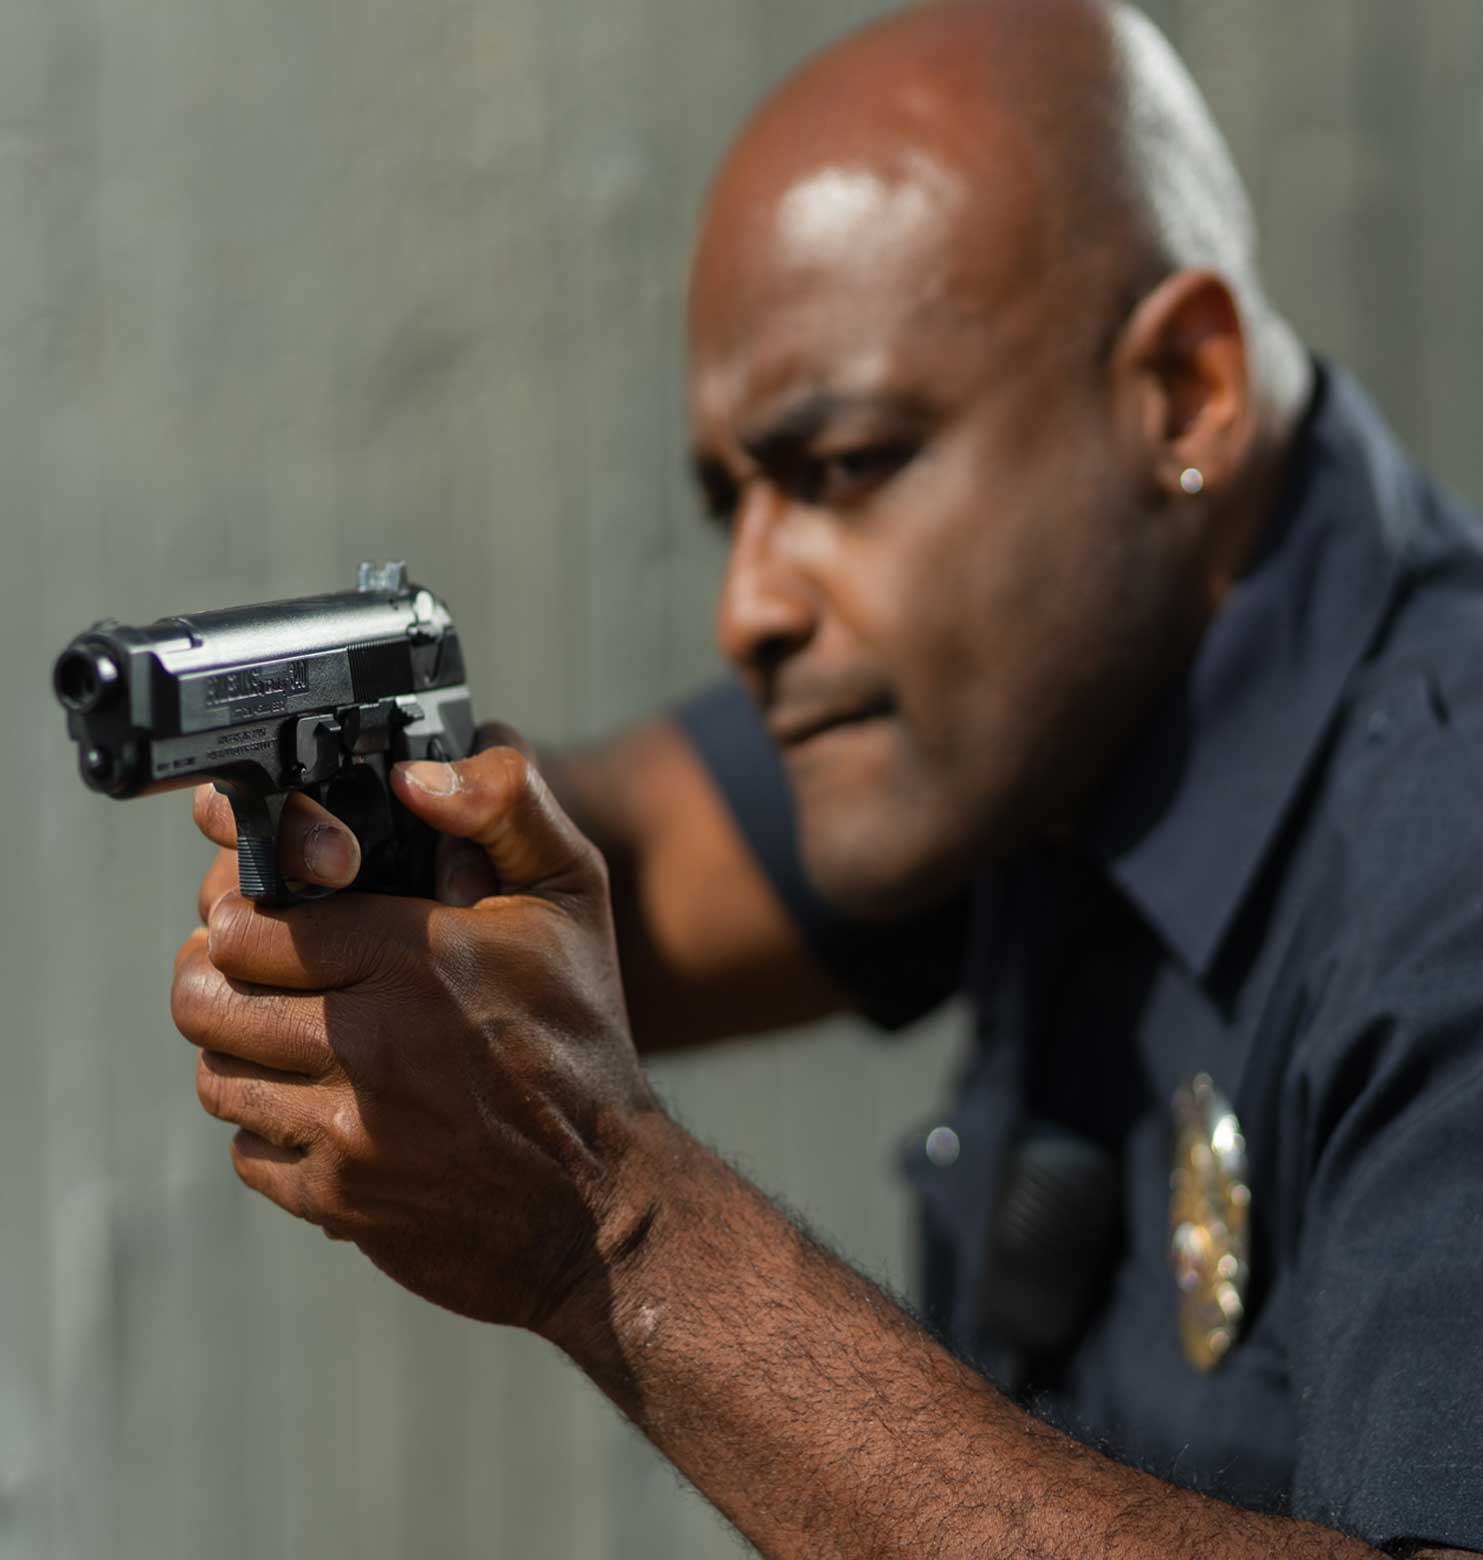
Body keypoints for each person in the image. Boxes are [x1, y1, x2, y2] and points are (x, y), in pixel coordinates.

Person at [170, 1, 1483, 1554]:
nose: (751, 608)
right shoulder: (1056, 686)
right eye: (734, 502)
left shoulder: (1442, 848)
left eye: (844, 468)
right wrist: (382, 820)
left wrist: (618, 1230)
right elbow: (620, 873)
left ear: (1184, 390)